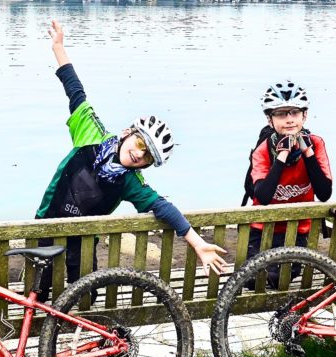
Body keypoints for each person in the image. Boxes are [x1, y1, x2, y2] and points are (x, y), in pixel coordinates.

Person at [34, 20, 229, 298]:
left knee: (86, 295)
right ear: (127, 132)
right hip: (45, 226)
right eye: (140, 143)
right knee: (40, 292)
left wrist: (197, 243)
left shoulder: (129, 181)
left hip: (84, 241)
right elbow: (75, 90)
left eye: (147, 156)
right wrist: (58, 48)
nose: (139, 154)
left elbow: (163, 207)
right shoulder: (91, 133)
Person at [246, 80, 333, 286]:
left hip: (298, 232)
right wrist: (282, 156)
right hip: (262, 231)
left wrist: (308, 153)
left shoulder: (316, 144)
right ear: (270, 120)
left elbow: (324, 193)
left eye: (294, 113)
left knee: (278, 281)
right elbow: (263, 197)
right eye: (281, 114)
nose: (289, 120)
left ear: (305, 116)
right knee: (251, 281)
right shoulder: (263, 150)